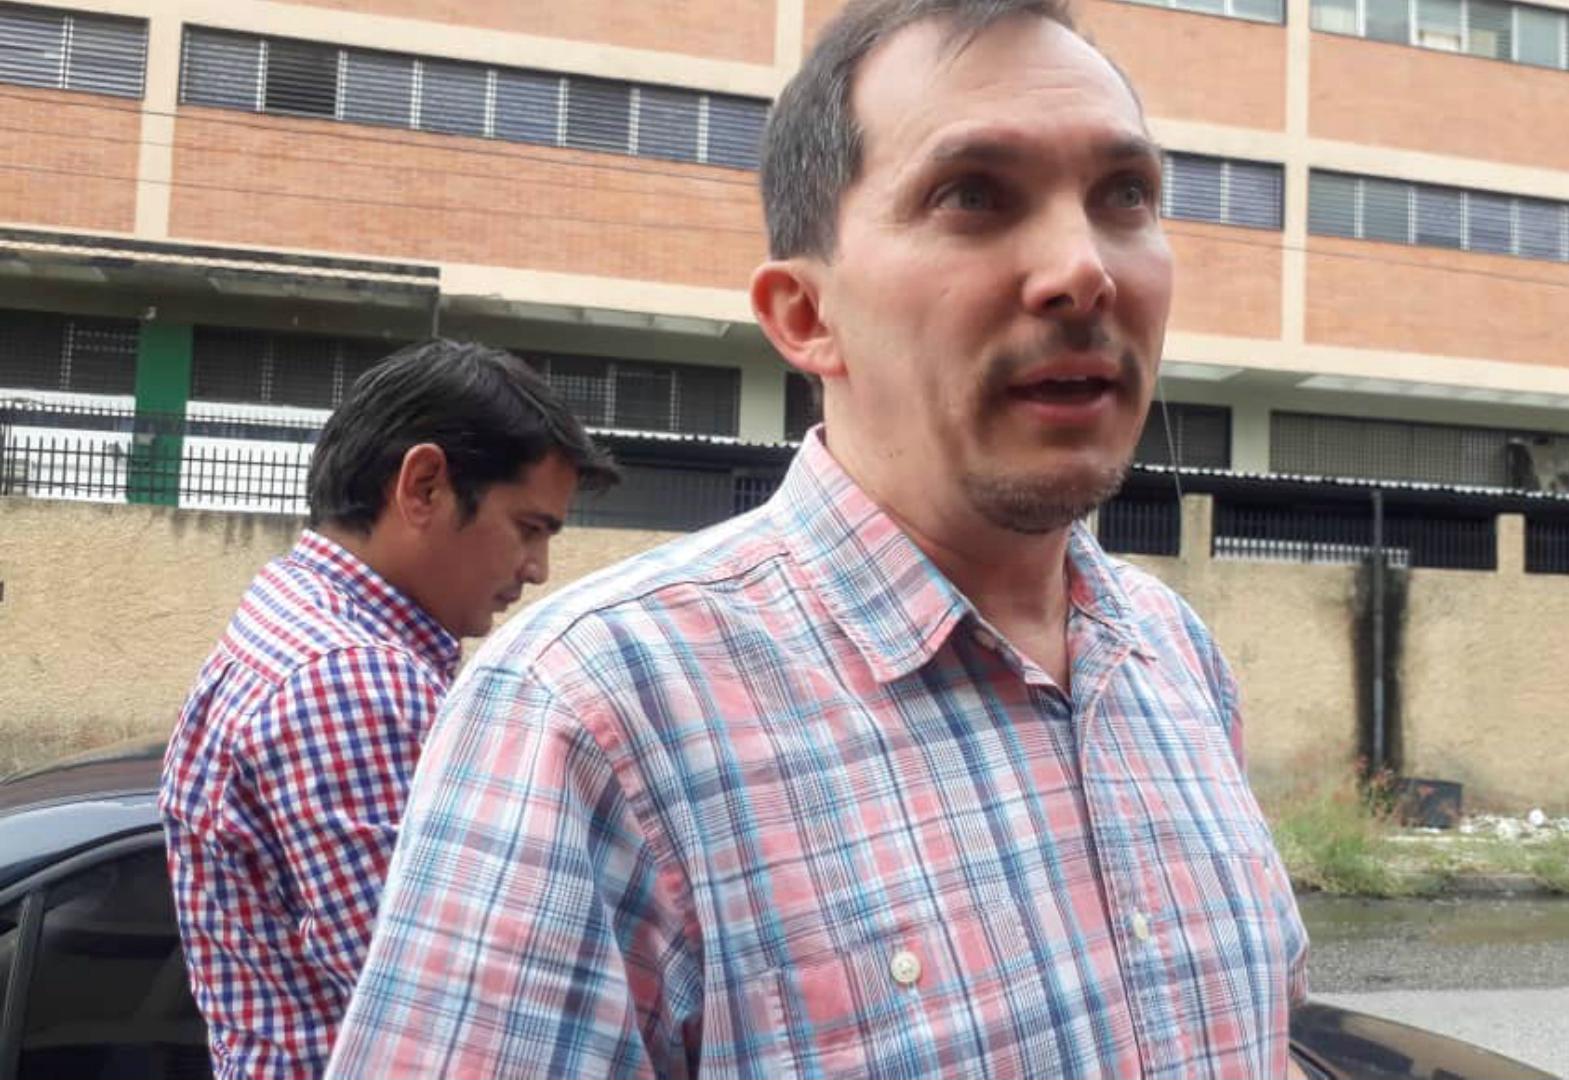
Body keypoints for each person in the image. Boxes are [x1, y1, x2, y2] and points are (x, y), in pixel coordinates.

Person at [328, 1, 1308, 1076]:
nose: (1084, 269)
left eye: (1124, 195)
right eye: (972, 195)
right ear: (805, 315)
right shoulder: (592, 720)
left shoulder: (1174, 658)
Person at [159, 339, 618, 1080]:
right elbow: (456, 1015)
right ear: (424, 487)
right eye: (528, 528)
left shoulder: (293, 624)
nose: (537, 569)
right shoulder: (353, 680)